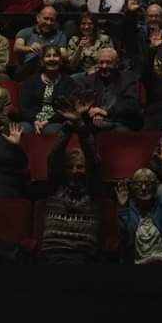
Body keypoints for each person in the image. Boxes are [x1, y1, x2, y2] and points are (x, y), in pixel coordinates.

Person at [41, 96, 105, 264]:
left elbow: (92, 158)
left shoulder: (93, 190)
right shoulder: (54, 187)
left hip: (83, 256)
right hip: (52, 254)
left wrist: (79, 124)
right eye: (70, 167)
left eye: (80, 166)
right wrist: (69, 125)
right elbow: (55, 155)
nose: (75, 171)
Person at [115, 139, 162, 265]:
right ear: (132, 188)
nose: (144, 188)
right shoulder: (129, 209)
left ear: (155, 187)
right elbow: (124, 240)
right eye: (139, 184)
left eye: (148, 184)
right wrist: (123, 208)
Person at [73, 47, 142, 131]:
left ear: (116, 63)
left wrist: (106, 112)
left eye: (108, 63)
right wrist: (91, 111)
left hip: (118, 121)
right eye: (101, 62)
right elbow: (81, 102)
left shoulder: (127, 79)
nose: (104, 66)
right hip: (93, 122)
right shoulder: (88, 80)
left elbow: (131, 105)